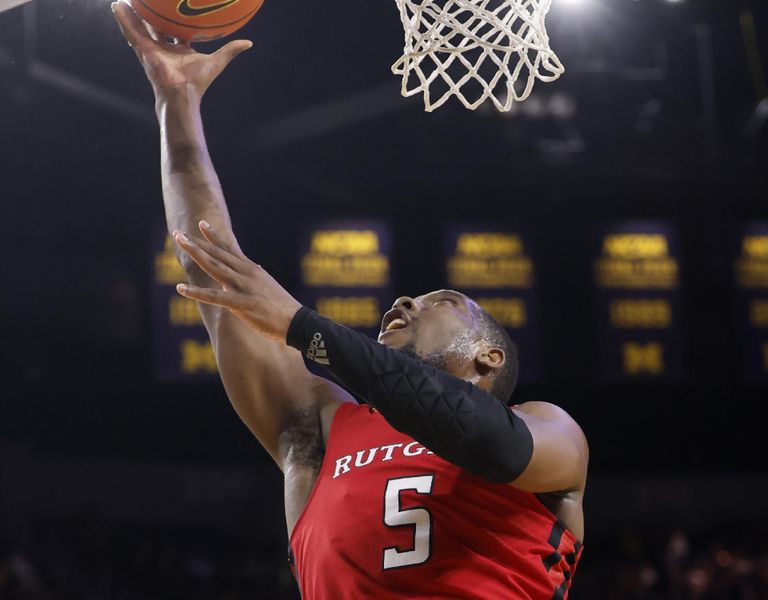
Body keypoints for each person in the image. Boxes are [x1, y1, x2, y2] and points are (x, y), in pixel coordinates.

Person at [111, 3, 589, 597]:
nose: (406, 301)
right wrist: (175, 103)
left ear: (489, 357)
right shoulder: (318, 428)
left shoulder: (548, 432)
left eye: (441, 301)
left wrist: (302, 326)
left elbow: (485, 440)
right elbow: (213, 267)